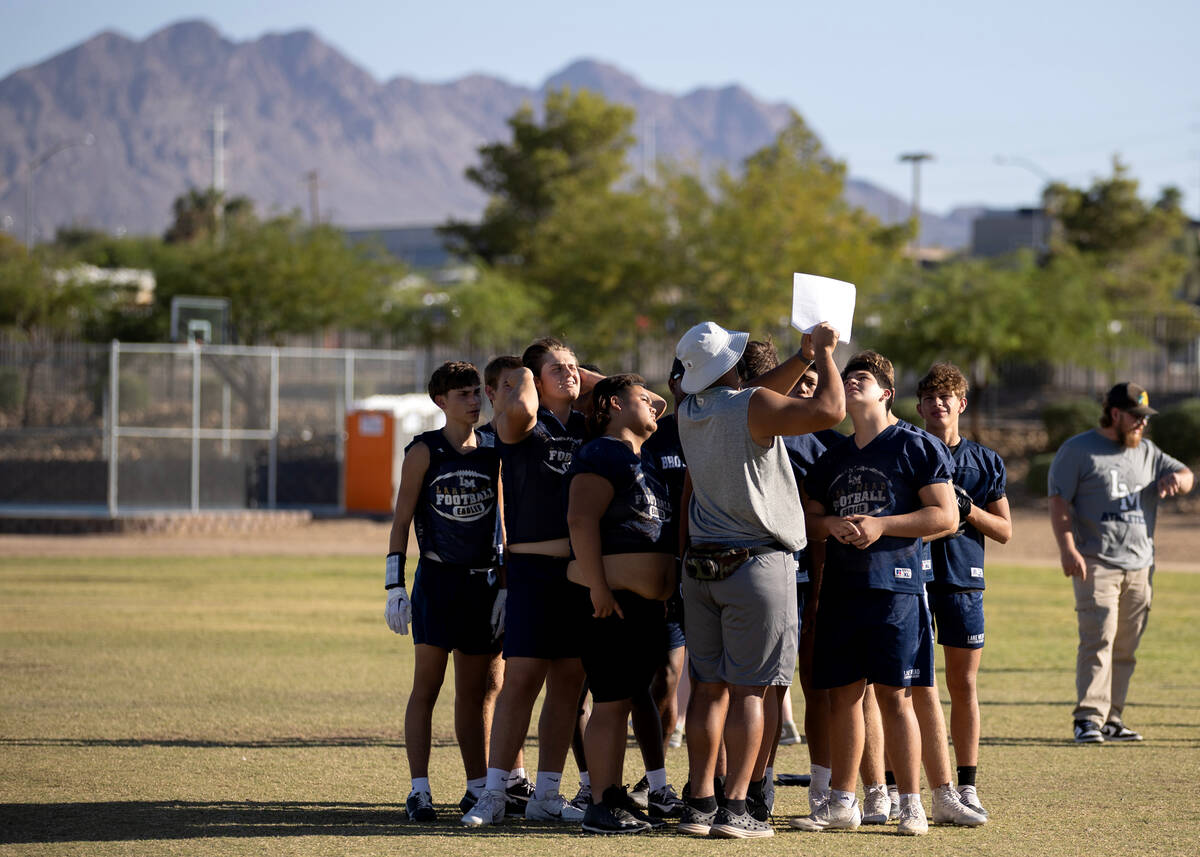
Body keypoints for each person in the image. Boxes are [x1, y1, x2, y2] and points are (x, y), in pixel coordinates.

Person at [674, 320, 844, 839]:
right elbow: (830, 411)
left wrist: (804, 357)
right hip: (757, 565)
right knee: (752, 692)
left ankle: (700, 802)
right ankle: (736, 807)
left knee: (708, 690)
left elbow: (759, 397)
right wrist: (828, 358)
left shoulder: (689, 410)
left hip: (702, 567)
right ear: (732, 366)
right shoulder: (749, 406)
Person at [792, 350, 956, 837]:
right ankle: (843, 803)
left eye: (862, 377)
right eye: (847, 378)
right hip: (843, 589)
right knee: (843, 696)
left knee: (896, 696)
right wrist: (832, 525)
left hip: (897, 589)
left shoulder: (915, 446)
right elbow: (808, 521)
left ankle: (911, 804)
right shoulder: (832, 456)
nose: (852, 382)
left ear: (885, 393)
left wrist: (880, 523)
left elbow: (945, 517)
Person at [462, 338, 600, 827]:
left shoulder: (590, 425)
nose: (568, 373)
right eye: (555, 368)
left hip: (583, 575)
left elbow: (650, 402)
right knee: (522, 680)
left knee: (568, 684)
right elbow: (519, 398)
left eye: (574, 366)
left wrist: (578, 377)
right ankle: (495, 792)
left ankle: (547, 794)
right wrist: (529, 370)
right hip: (533, 572)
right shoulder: (521, 424)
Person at [385, 361, 504, 823]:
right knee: (427, 687)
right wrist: (394, 584)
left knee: (473, 691)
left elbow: (505, 518)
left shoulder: (494, 447)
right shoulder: (424, 451)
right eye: (464, 395)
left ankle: (477, 787)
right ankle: (419, 789)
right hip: (437, 581)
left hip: (483, 582)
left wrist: (506, 581)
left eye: (477, 393)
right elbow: (400, 522)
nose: (474, 402)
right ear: (441, 401)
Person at [1048, 382, 1193, 743]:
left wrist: (1179, 478)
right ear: (1115, 414)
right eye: (1136, 417)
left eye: (1145, 418)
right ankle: (1088, 719)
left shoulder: (1148, 451)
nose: (1142, 424)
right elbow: (1058, 501)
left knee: (1126, 646)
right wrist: (1067, 548)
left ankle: (1112, 718)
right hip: (1096, 561)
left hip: (1141, 565)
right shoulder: (1078, 450)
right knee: (1099, 638)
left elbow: (1188, 475)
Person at [567, 373, 675, 834]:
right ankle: (600, 803)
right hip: (610, 603)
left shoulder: (643, 454)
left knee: (625, 699)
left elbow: (662, 406)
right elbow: (580, 519)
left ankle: (613, 796)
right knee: (610, 702)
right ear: (612, 404)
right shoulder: (599, 452)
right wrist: (598, 588)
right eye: (642, 396)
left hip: (644, 607)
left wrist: (646, 401)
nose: (655, 403)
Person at [916, 362, 1011, 817]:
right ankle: (904, 788)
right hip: (909, 580)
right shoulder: (905, 450)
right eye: (930, 397)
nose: (938, 403)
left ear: (961, 404)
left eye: (945, 397)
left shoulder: (985, 461)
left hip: (962, 581)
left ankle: (967, 785)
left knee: (963, 683)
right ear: (917, 406)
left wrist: (967, 509)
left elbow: (1005, 530)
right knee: (906, 684)